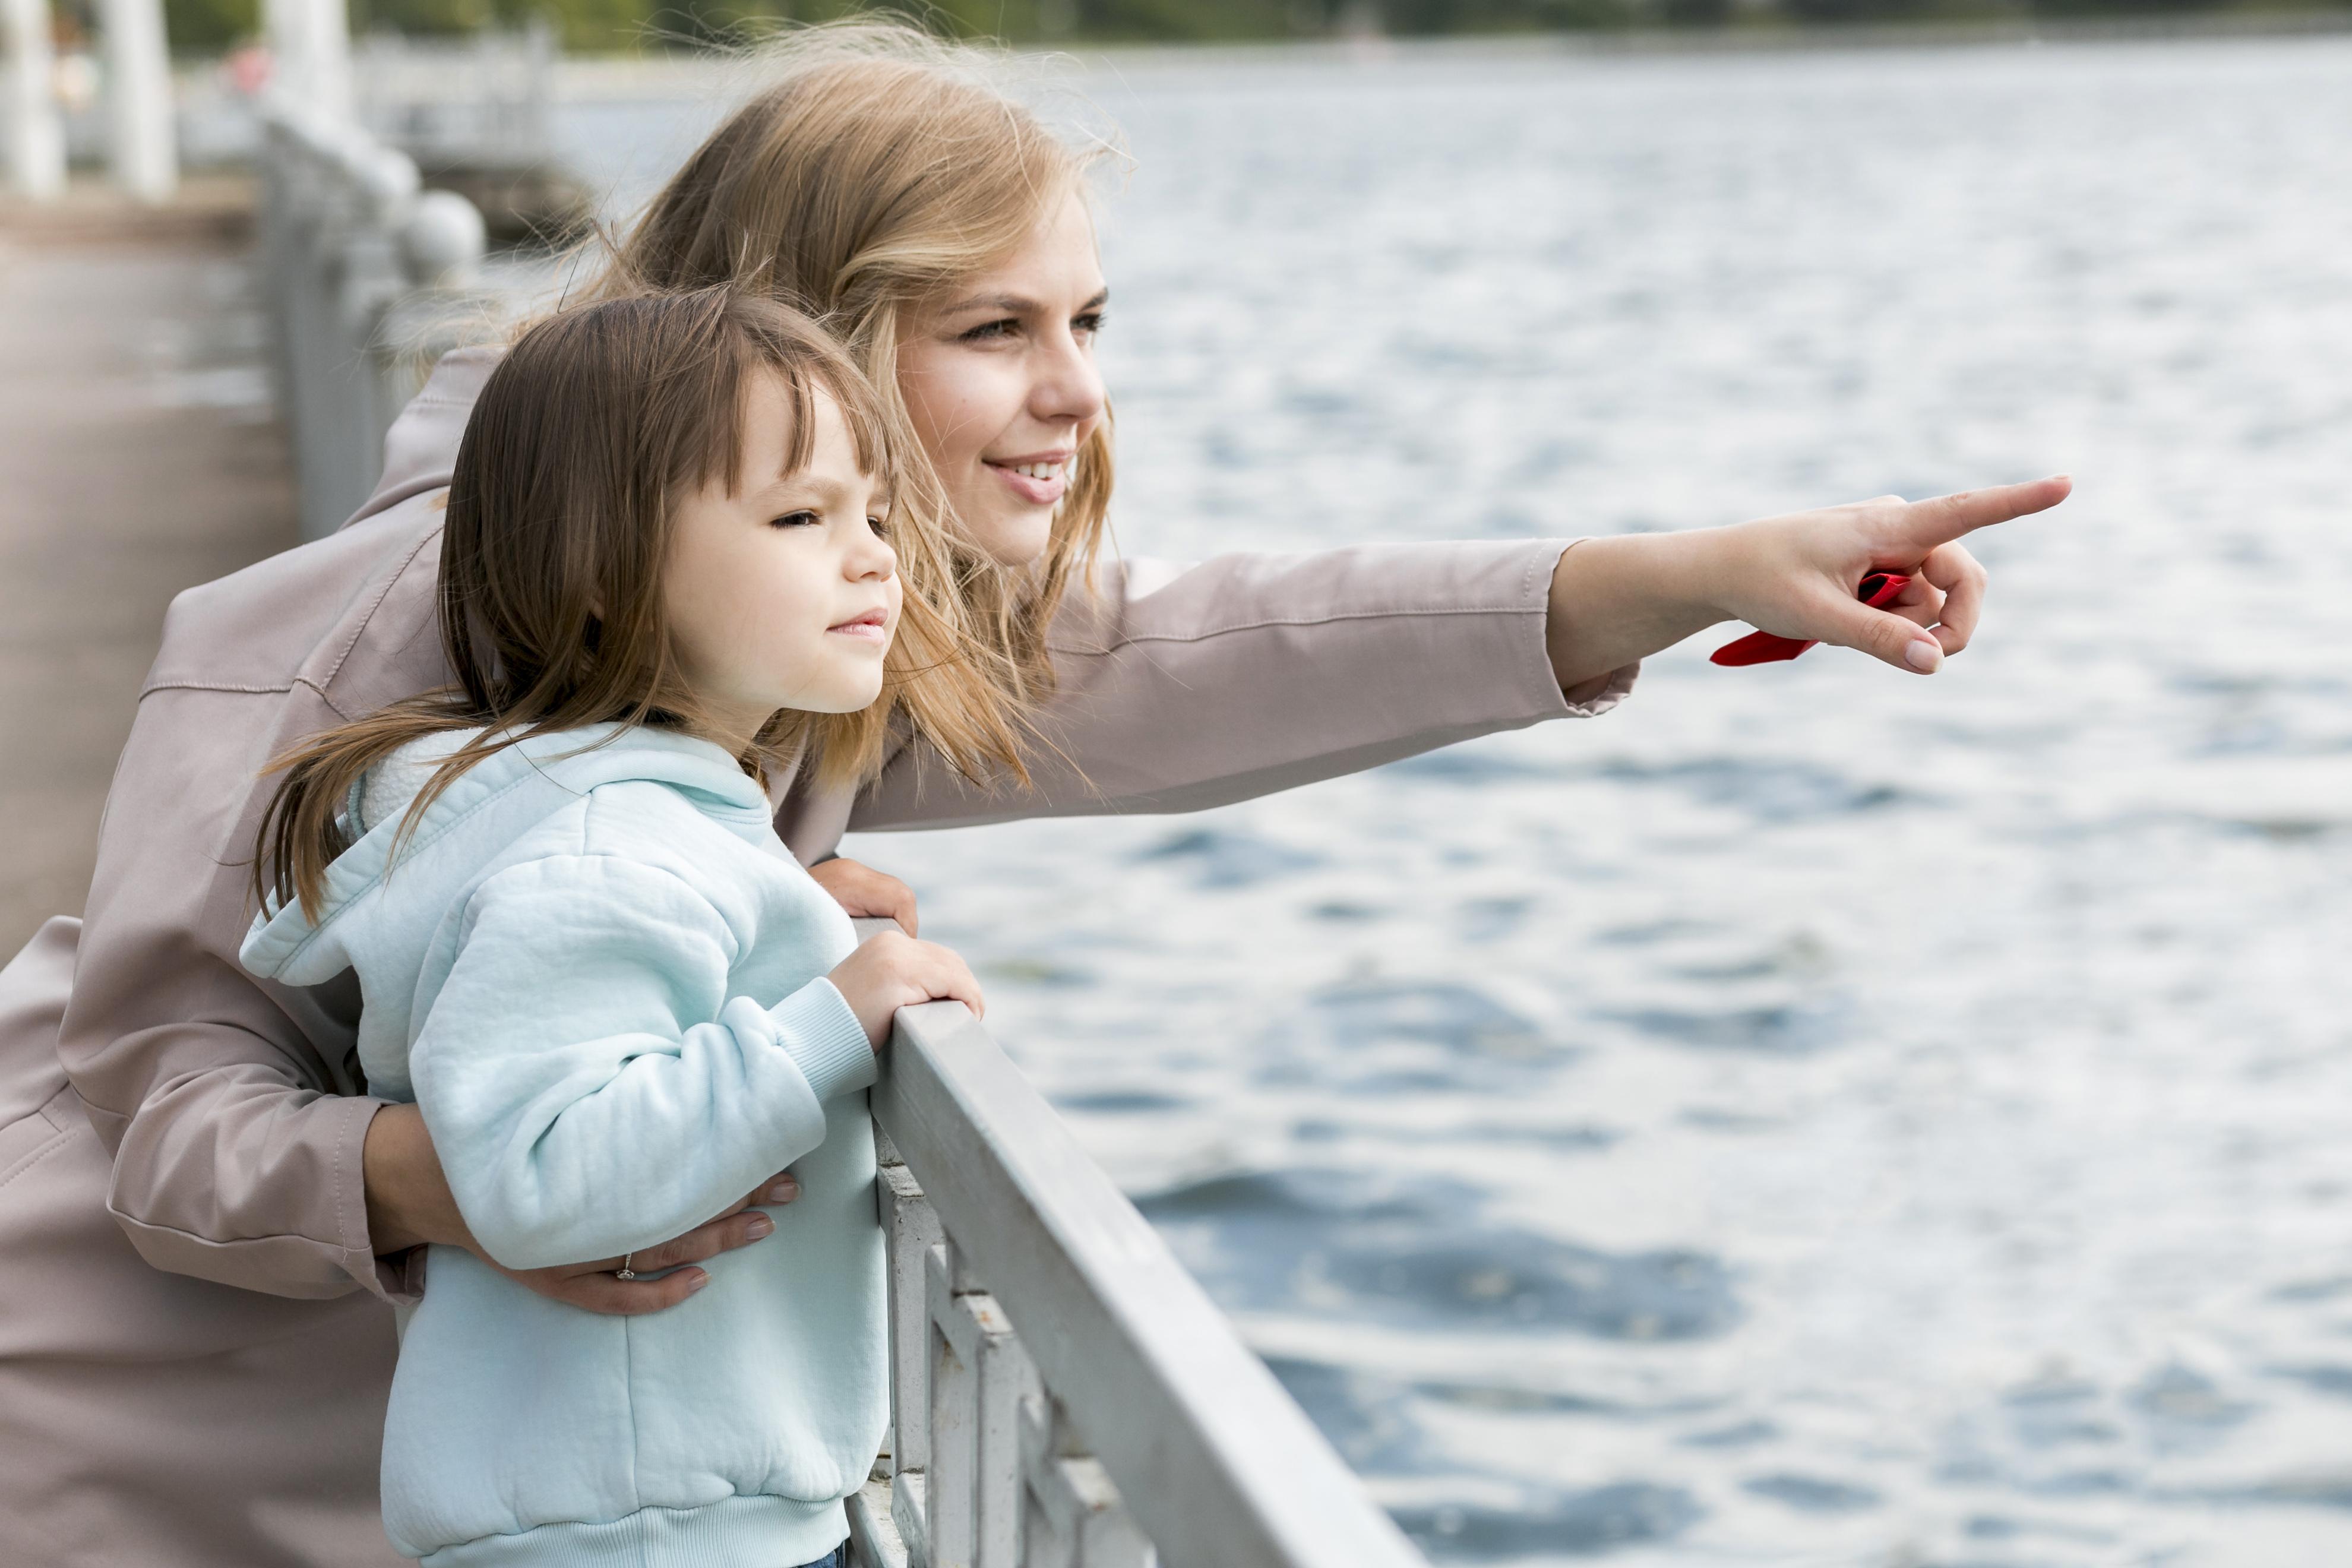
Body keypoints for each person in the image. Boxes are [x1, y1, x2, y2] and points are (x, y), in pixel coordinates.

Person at [0, 21, 2069, 1566]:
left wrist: (1692, 574)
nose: (1078, 392)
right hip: (114, 1412)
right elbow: (161, 1114)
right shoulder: (400, 608)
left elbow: (1177, 650)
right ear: (781, 337)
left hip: (472, 1453)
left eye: (1087, 319)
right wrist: (442, 1178)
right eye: (994, 328)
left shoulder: (753, 611)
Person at [242, 287, 985, 1568]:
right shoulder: (602, 852)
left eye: (875, 513)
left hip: (660, 1512)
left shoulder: (642, 828)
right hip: (646, 1531)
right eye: (803, 517)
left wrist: (787, 923)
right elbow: (542, 1170)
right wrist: (831, 1019)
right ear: (607, 572)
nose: (873, 556)